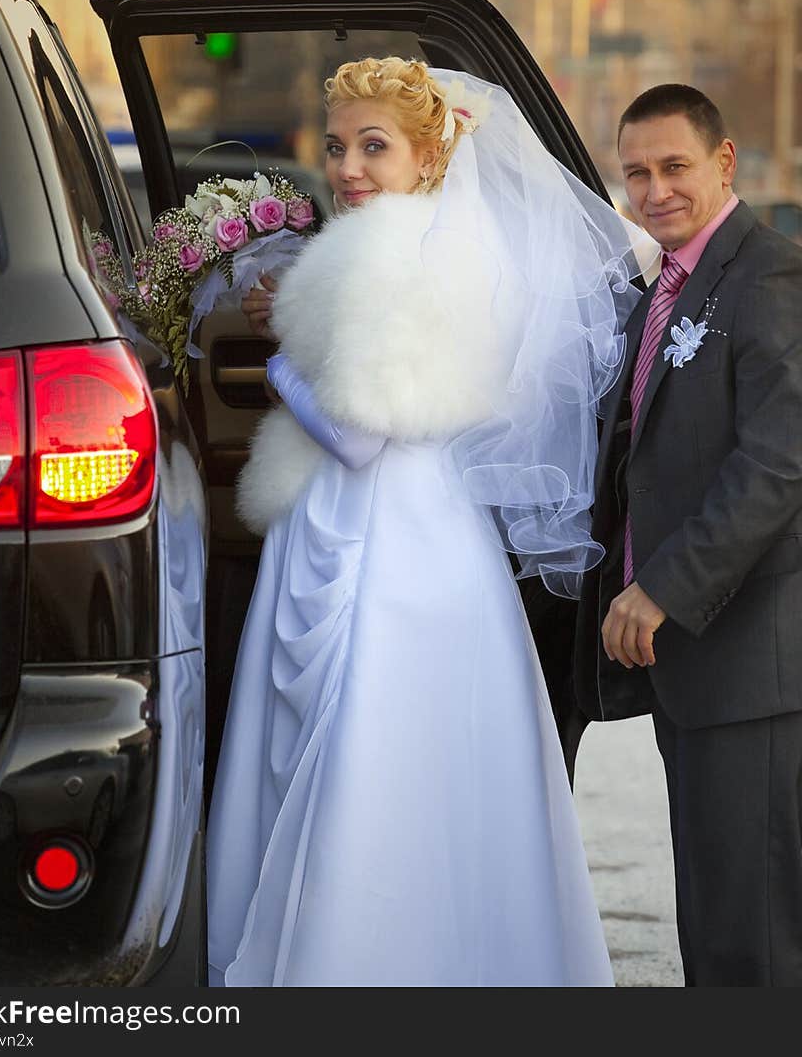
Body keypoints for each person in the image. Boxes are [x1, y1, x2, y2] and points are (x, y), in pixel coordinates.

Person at [205, 56, 650, 988]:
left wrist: (286, 356)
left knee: (366, 740)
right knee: (429, 758)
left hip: (381, 531)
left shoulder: (397, 250)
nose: (349, 168)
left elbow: (359, 434)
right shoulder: (455, 245)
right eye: (336, 147)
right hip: (430, 530)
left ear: (429, 156)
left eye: (376, 147)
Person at [573, 84, 802, 987]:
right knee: (714, 916)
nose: (655, 188)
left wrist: (664, 586)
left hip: (752, 660)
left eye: (674, 167)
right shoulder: (660, 289)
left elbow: (777, 467)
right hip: (697, 670)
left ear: (724, 161)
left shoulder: (770, 278)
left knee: (756, 934)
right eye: (636, 172)